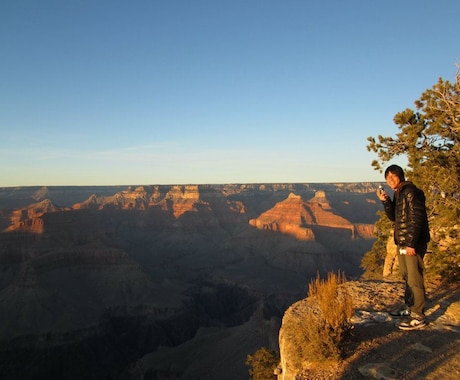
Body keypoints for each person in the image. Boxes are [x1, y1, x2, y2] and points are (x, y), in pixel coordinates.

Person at [376, 164, 430, 330]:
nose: (390, 180)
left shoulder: (411, 192)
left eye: (392, 177)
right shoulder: (399, 193)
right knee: (407, 276)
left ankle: (418, 316)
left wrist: (411, 244)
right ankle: (410, 308)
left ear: (400, 175)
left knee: (415, 278)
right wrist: (386, 201)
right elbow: (394, 218)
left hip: (411, 243)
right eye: (387, 179)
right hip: (402, 242)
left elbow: (416, 219)